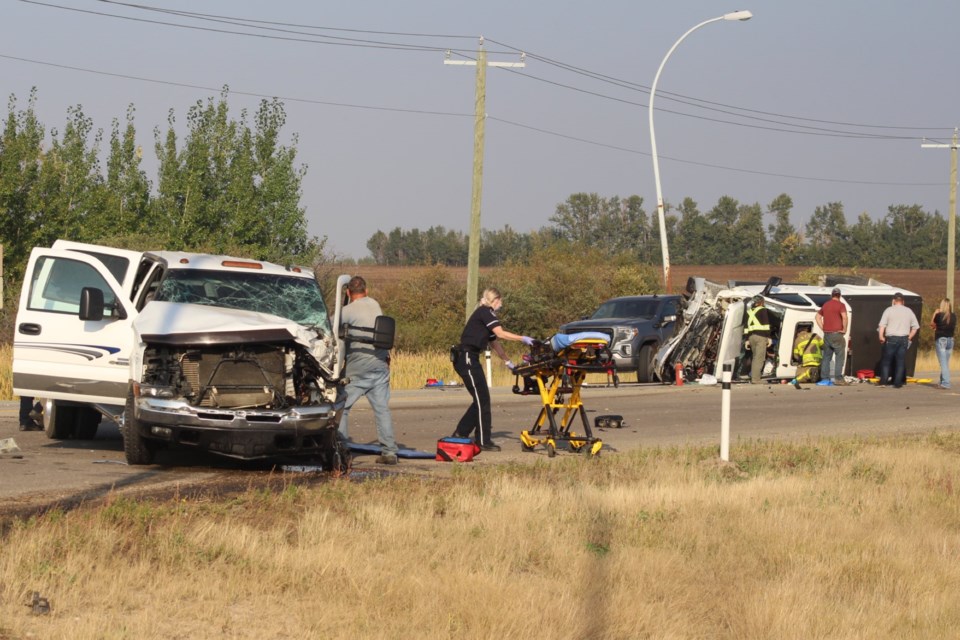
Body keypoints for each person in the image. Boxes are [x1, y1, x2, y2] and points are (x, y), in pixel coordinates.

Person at [452, 287, 535, 451]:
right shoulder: (485, 312)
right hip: (466, 357)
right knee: (482, 399)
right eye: (500, 301)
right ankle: (483, 441)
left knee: (481, 398)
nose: (501, 304)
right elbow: (501, 334)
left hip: (471, 357)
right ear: (495, 300)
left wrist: (507, 362)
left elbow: (494, 341)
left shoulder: (486, 315)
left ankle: (461, 433)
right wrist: (522, 338)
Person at [337, 276, 398, 465]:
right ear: (366, 290)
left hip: (358, 367)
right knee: (381, 409)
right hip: (380, 365)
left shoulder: (346, 311)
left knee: (342, 407)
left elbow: (329, 327)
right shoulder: (375, 304)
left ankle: (341, 450)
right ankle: (389, 453)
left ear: (348, 293)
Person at [877, 292, 920, 389]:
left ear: (893, 301)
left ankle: (883, 381)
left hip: (891, 339)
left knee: (887, 361)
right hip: (904, 339)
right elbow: (915, 327)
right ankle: (898, 383)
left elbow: (882, 325)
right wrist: (909, 337)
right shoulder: (909, 311)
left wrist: (881, 336)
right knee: (900, 361)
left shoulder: (888, 310)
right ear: (903, 301)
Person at [816, 287, 849, 386]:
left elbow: (817, 317)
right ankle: (838, 379)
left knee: (826, 357)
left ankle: (824, 378)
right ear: (840, 295)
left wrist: (823, 328)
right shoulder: (841, 305)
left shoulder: (826, 305)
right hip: (837, 334)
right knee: (839, 357)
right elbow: (844, 317)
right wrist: (844, 329)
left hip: (827, 334)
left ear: (832, 295)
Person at [743, 296, 771, 384]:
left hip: (751, 337)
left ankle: (754, 377)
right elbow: (766, 324)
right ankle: (756, 379)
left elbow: (746, 327)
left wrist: (747, 339)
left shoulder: (749, 312)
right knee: (759, 358)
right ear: (761, 302)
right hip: (761, 337)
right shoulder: (763, 310)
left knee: (755, 357)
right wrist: (769, 337)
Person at [931, 297, 956, 390]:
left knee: (943, 363)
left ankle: (945, 383)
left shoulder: (939, 315)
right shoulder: (954, 316)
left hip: (941, 339)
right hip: (950, 340)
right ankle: (942, 381)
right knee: (945, 362)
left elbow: (932, 325)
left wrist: (935, 313)